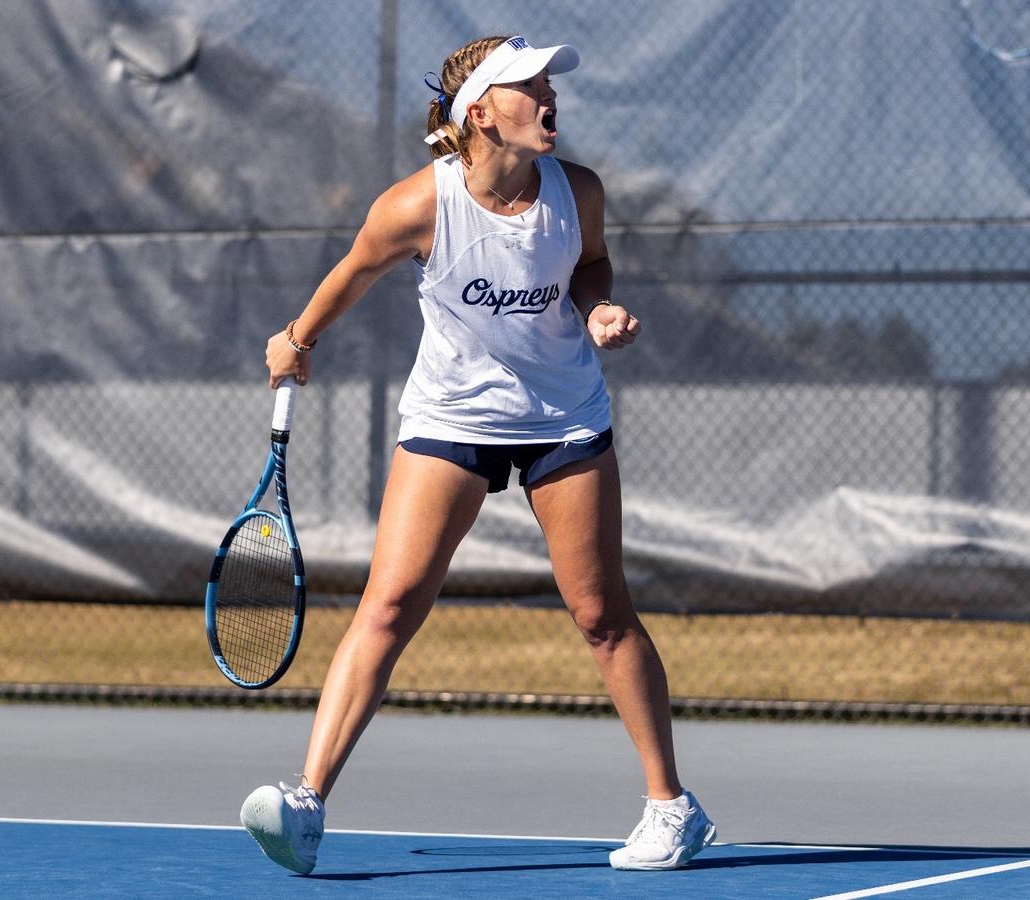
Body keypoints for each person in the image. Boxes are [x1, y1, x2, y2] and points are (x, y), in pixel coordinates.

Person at [240, 34, 714, 874]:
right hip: (452, 416)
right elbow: (354, 271)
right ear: (481, 113)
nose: (550, 98)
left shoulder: (580, 193)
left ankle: (672, 810)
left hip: (564, 416)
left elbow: (590, 264)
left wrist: (599, 308)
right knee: (388, 608)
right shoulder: (417, 206)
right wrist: (296, 338)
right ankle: (307, 804)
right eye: (528, 88)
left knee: (602, 617)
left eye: (549, 85)